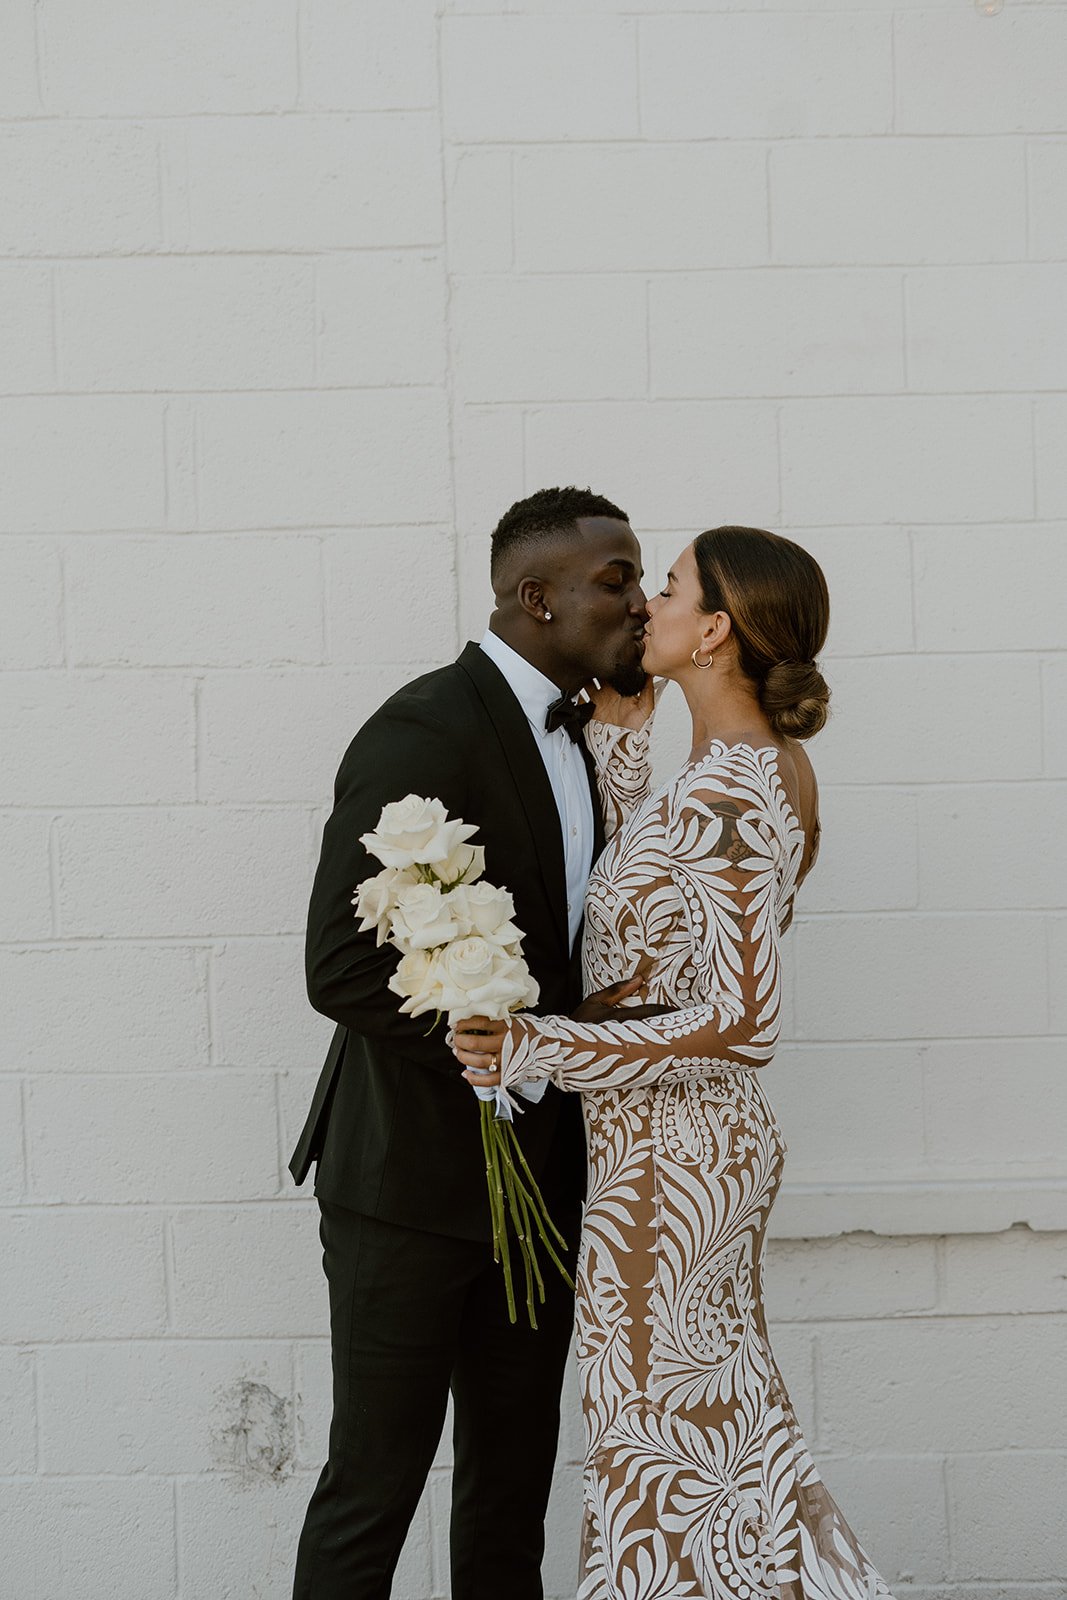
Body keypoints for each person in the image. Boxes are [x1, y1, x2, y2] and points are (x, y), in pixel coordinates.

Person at [452, 526, 896, 1598]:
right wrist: (618, 752)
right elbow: (648, 931)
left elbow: (743, 1018)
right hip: (670, 1150)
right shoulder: (739, 770)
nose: (646, 601)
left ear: (714, 630)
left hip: (673, 1168)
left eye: (669, 585)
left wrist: (535, 1045)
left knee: (658, 1446)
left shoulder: (732, 788)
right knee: (711, 1443)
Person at [289, 486, 653, 1600]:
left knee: (508, 1504)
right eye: (615, 581)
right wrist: (499, 1037)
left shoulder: (590, 735)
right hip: (406, 1189)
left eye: (641, 580)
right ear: (534, 597)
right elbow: (339, 967)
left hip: (537, 1190)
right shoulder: (424, 726)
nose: (640, 603)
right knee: (373, 1491)